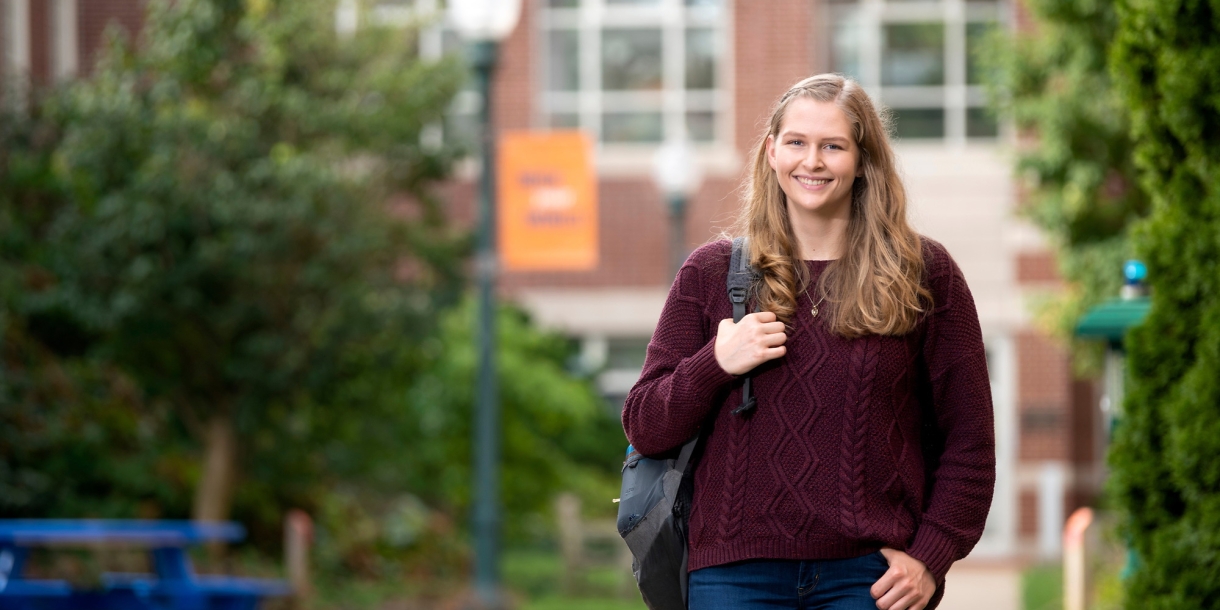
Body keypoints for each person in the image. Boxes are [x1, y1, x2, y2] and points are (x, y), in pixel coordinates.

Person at [621, 74, 996, 610]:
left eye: (833, 146)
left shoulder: (924, 273)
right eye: (796, 142)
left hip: (868, 579)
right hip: (733, 577)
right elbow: (644, 425)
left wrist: (931, 557)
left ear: (863, 160)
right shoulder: (711, 274)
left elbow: (970, 443)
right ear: (772, 152)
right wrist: (715, 363)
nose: (812, 161)